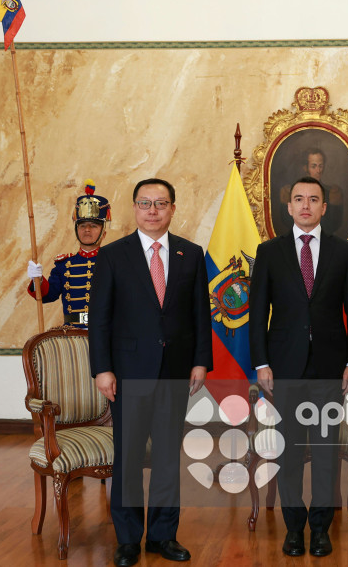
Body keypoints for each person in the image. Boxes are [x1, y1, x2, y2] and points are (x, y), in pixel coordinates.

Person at [89, 178, 213, 567]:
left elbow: (200, 314)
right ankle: (128, 539)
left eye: (161, 203)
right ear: (135, 208)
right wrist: (102, 369)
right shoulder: (113, 255)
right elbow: (100, 320)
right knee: (127, 458)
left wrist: (200, 360)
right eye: (145, 203)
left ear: (173, 208)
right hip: (128, 373)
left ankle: (163, 536)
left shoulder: (191, 254)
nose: (153, 210)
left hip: (175, 370)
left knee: (166, 458)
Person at [249, 176, 348, 558]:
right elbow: (257, 314)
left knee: (326, 451)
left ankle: (320, 529)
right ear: (288, 206)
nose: (305, 205)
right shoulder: (269, 252)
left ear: (324, 207)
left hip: (330, 369)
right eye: (298, 199)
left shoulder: (344, 251)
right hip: (284, 369)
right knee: (289, 452)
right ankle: (294, 528)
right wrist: (262, 364)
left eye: (313, 199)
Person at [26, 180, 110, 328]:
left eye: (93, 226)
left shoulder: (114, 262)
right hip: (72, 334)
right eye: (82, 225)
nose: (87, 230)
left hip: (107, 333)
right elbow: (48, 296)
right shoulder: (64, 264)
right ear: (76, 230)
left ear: (103, 233)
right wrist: (37, 280)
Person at [276, 148, 345, 237]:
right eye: (313, 166)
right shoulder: (289, 192)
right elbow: (287, 221)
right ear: (305, 168)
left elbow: (334, 224)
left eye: (320, 166)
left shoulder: (333, 193)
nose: (318, 170)